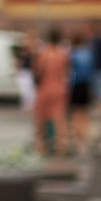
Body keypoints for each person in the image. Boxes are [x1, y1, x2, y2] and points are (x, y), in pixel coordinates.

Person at [32, 28, 71, 156]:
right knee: (59, 119)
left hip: (45, 87)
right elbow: (66, 73)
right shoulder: (63, 54)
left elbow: (38, 72)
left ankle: (41, 147)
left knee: (41, 119)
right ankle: (62, 147)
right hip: (59, 88)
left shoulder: (44, 54)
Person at [66, 31, 95, 155]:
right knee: (85, 114)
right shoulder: (89, 53)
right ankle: (86, 137)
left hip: (76, 85)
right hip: (87, 85)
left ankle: (78, 141)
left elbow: (70, 72)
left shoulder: (73, 54)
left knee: (75, 114)